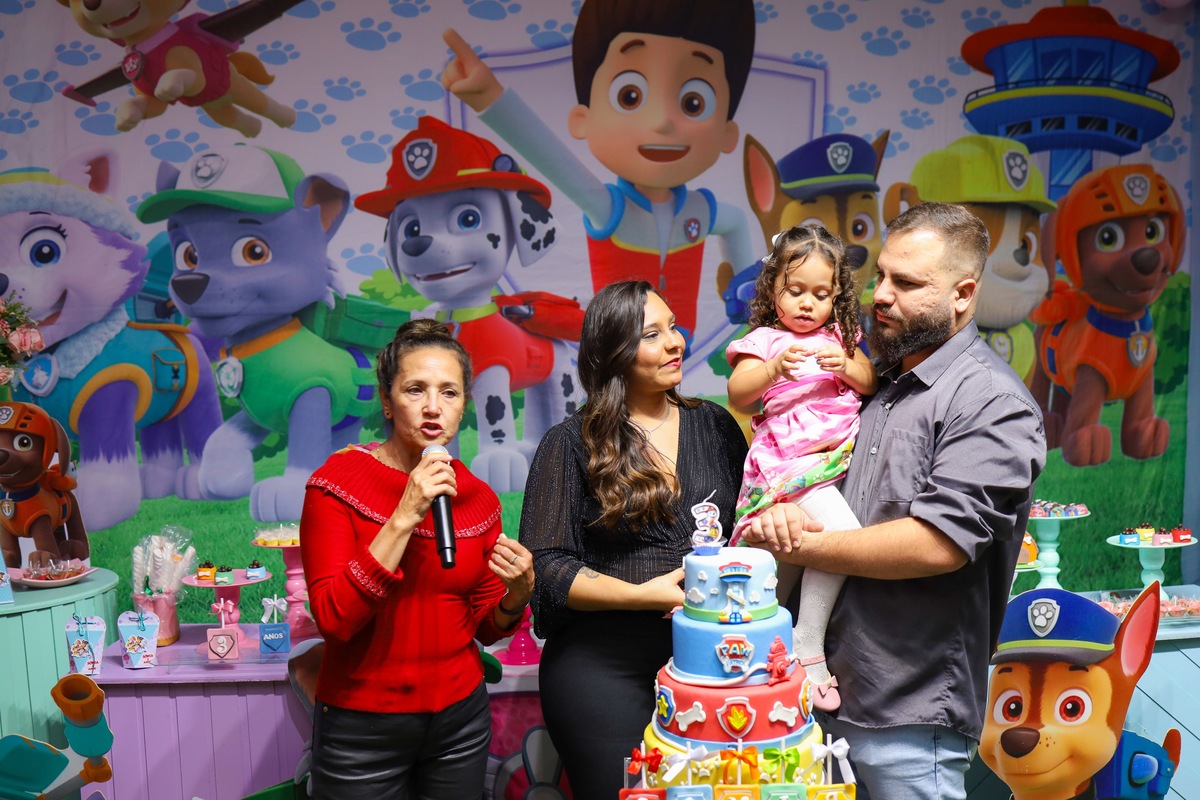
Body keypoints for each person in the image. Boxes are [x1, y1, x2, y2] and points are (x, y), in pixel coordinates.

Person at [742, 202, 1047, 800]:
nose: (880, 294)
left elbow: (936, 544)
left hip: (907, 716)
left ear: (963, 294)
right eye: (880, 274)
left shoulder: (989, 402)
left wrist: (795, 540)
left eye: (906, 283)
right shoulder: (876, 386)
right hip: (817, 699)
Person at [520, 280, 765, 800]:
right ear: (616, 353)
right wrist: (641, 594)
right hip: (602, 667)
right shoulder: (569, 442)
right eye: (653, 334)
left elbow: (747, 529)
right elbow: (548, 566)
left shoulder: (716, 425)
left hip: (711, 663)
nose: (676, 342)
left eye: (673, 326)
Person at [299, 318, 535, 799]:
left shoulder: (478, 499)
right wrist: (405, 513)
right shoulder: (336, 484)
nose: (433, 407)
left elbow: (485, 627)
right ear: (387, 401)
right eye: (415, 390)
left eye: (449, 392)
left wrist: (517, 594)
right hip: (361, 730)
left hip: (459, 723)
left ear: (464, 404)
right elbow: (335, 620)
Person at [441, 0, 757, 342]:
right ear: (583, 119)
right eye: (630, 95)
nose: (662, 121)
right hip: (620, 340)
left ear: (728, 132)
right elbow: (551, 158)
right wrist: (490, 97)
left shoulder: (700, 210)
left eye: (693, 102)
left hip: (679, 338)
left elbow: (737, 223)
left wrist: (746, 298)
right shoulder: (609, 207)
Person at [725, 224, 878, 711]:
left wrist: (846, 365)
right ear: (773, 290)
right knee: (842, 538)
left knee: (785, 564)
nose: (807, 304)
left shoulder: (840, 338)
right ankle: (807, 644)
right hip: (790, 462)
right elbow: (736, 392)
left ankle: (761, 656)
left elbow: (870, 382)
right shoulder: (765, 340)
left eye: (821, 294)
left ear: (836, 297)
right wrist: (771, 370)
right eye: (795, 291)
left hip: (830, 461)